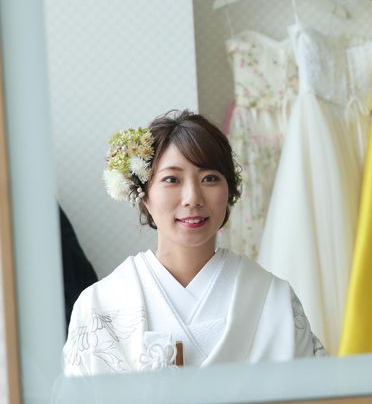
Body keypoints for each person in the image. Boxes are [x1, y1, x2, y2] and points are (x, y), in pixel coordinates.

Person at [63, 110, 326, 376]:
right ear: (144, 195)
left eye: (209, 178)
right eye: (172, 180)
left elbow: (312, 394)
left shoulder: (273, 297)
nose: (192, 198)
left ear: (229, 191)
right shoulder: (100, 304)